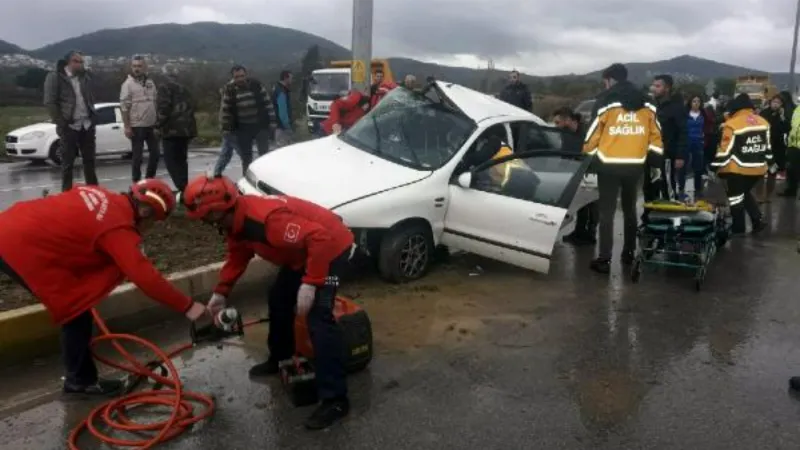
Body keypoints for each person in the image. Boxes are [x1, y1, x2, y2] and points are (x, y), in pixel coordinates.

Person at [0, 179, 208, 396]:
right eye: (154, 221)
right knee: (76, 312)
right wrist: (188, 306)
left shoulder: (100, 193)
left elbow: (77, 197)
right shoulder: (117, 228)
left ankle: (81, 378)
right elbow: (145, 277)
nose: (151, 228)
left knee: (79, 307)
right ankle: (80, 383)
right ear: (145, 212)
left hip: (10, 224)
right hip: (17, 246)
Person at [181, 175, 353, 430]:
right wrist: (222, 291)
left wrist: (312, 282)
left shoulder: (267, 221)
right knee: (278, 298)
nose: (205, 223)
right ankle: (280, 357)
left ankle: (336, 399)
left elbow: (319, 238)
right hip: (301, 254)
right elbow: (239, 254)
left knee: (318, 319)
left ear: (218, 211)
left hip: (330, 249)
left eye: (206, 217)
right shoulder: (236, 223)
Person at [583, 63, 663, 274]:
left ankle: (604, 259)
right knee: (630, 210)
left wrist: (587, 159)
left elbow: (593, 135)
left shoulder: (604, 101)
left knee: (607, 213)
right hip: (635, 165)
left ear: (610, 80)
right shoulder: (648, 102)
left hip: (608, 165)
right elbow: (655, 135)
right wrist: (655, 163)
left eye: (605, 82)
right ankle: (628, 253)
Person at [710, 94, 771, 234]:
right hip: (758, 169)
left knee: (735, 197)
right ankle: (757, 221)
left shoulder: (732, 125)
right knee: (745, 193)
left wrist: (713, 167)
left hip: (737, 169)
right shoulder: (763, 122)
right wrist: (771, 165)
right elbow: (767, 147)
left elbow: (725, 151)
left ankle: (739, 228)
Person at [43, 50, 99, 192]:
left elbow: (89, 97)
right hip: (69, 126)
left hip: (86, 124)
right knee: (67, 164)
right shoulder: (55, 77)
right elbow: (50, 102)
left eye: (81, 61)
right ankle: (66, 194)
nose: (80, 64)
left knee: (90, 162)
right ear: (68, 62)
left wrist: (92, 117)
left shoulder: (85, 77)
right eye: (76, 61)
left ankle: (94, 192)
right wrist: (61, 122)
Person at [553, 106, 597, 245]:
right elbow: (565, 152)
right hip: (576, 171)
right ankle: (579, 232)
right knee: (580, 204)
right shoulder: (566, 133)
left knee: (592, 204)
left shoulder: (588, 132)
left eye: (558, 122)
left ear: (567, 120)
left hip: (591, 170)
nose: (556, 126)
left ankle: (589, 235)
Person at [220, 65, 277, 171]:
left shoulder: (256, 85)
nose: (240, 79)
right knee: (246, 158)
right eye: (237, 77)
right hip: (242, 128)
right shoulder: (230, 90)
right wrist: (226, 128)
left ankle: (265, 178)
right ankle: (247, 181)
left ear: (246, 75)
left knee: (264, 156)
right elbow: (226, 110)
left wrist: (272, 122)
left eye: (242, 76)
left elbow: (268, 104)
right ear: (233, 78)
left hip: (260, 125)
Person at [156, 63, 197, 195]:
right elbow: (191, 108)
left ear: (164, 75)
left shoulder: (164, 88)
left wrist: (157, 125)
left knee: (171, 162)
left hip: (171, 131)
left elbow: (164, 109)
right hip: (186, 130)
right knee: (182, 161)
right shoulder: (184, 89)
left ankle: (183, 190)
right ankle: (186, 188)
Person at [120, 55, 160, 183]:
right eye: (134, 66)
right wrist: (127, 126)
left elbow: (156, 102)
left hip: (151, 124)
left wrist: (158, 122)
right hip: (137, 125)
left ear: (145, 67)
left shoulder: (150, 83)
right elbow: (124, 107)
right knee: (137, 157)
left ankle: (149, 180)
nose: (136, 69)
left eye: (139, 66)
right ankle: (136, 183)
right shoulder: (127, 85)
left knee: (156, 153)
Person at [648, 74, 687, 200]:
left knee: (668, 186)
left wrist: (680, 156)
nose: (654, 88)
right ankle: (651, 214)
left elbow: (683, 132)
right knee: (652, 185)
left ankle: (671, 213)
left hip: (668, 156)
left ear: (667, 88)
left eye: (658, 86)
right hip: (652, 154)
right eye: (653, 85)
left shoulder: (676, 108)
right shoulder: (652, 107)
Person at [681, 94, 711, 200]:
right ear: (690, 103)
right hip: (686, 143)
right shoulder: (685, 114)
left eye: (698, 101)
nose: (696, 103)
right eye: (694, 101)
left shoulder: (703, 114)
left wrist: (705, 138)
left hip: (698, 143)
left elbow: (709, 125)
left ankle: (698, 189)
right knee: (684, 167)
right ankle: (681, 189)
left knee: (698, 168)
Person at [760, 95, 789, 199]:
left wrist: (782, 117)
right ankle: (759, 195)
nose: (775, 104)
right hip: (764, 146)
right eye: (774, 102)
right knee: (760, 172)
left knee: (772, 172)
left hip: (777, 148)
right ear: (770, 102)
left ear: (781, 105)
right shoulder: (764, 113)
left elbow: (786, 128)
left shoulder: (783, 115)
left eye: (778, 102)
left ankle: (768, 196)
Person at [272, 70, 294, 148]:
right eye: (291, 78)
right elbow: (282, 111)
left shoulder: (278, 89)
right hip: (282, 127)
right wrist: (287, 125)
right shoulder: (281, 91)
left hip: (279, 126)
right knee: (284, 150)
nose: (292, 80)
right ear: (285, 78)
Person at [786, 98, 800, 198]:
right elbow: (793, 126)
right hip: (793, 145)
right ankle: (791, 191)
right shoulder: (797, 109)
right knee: (792, 170)